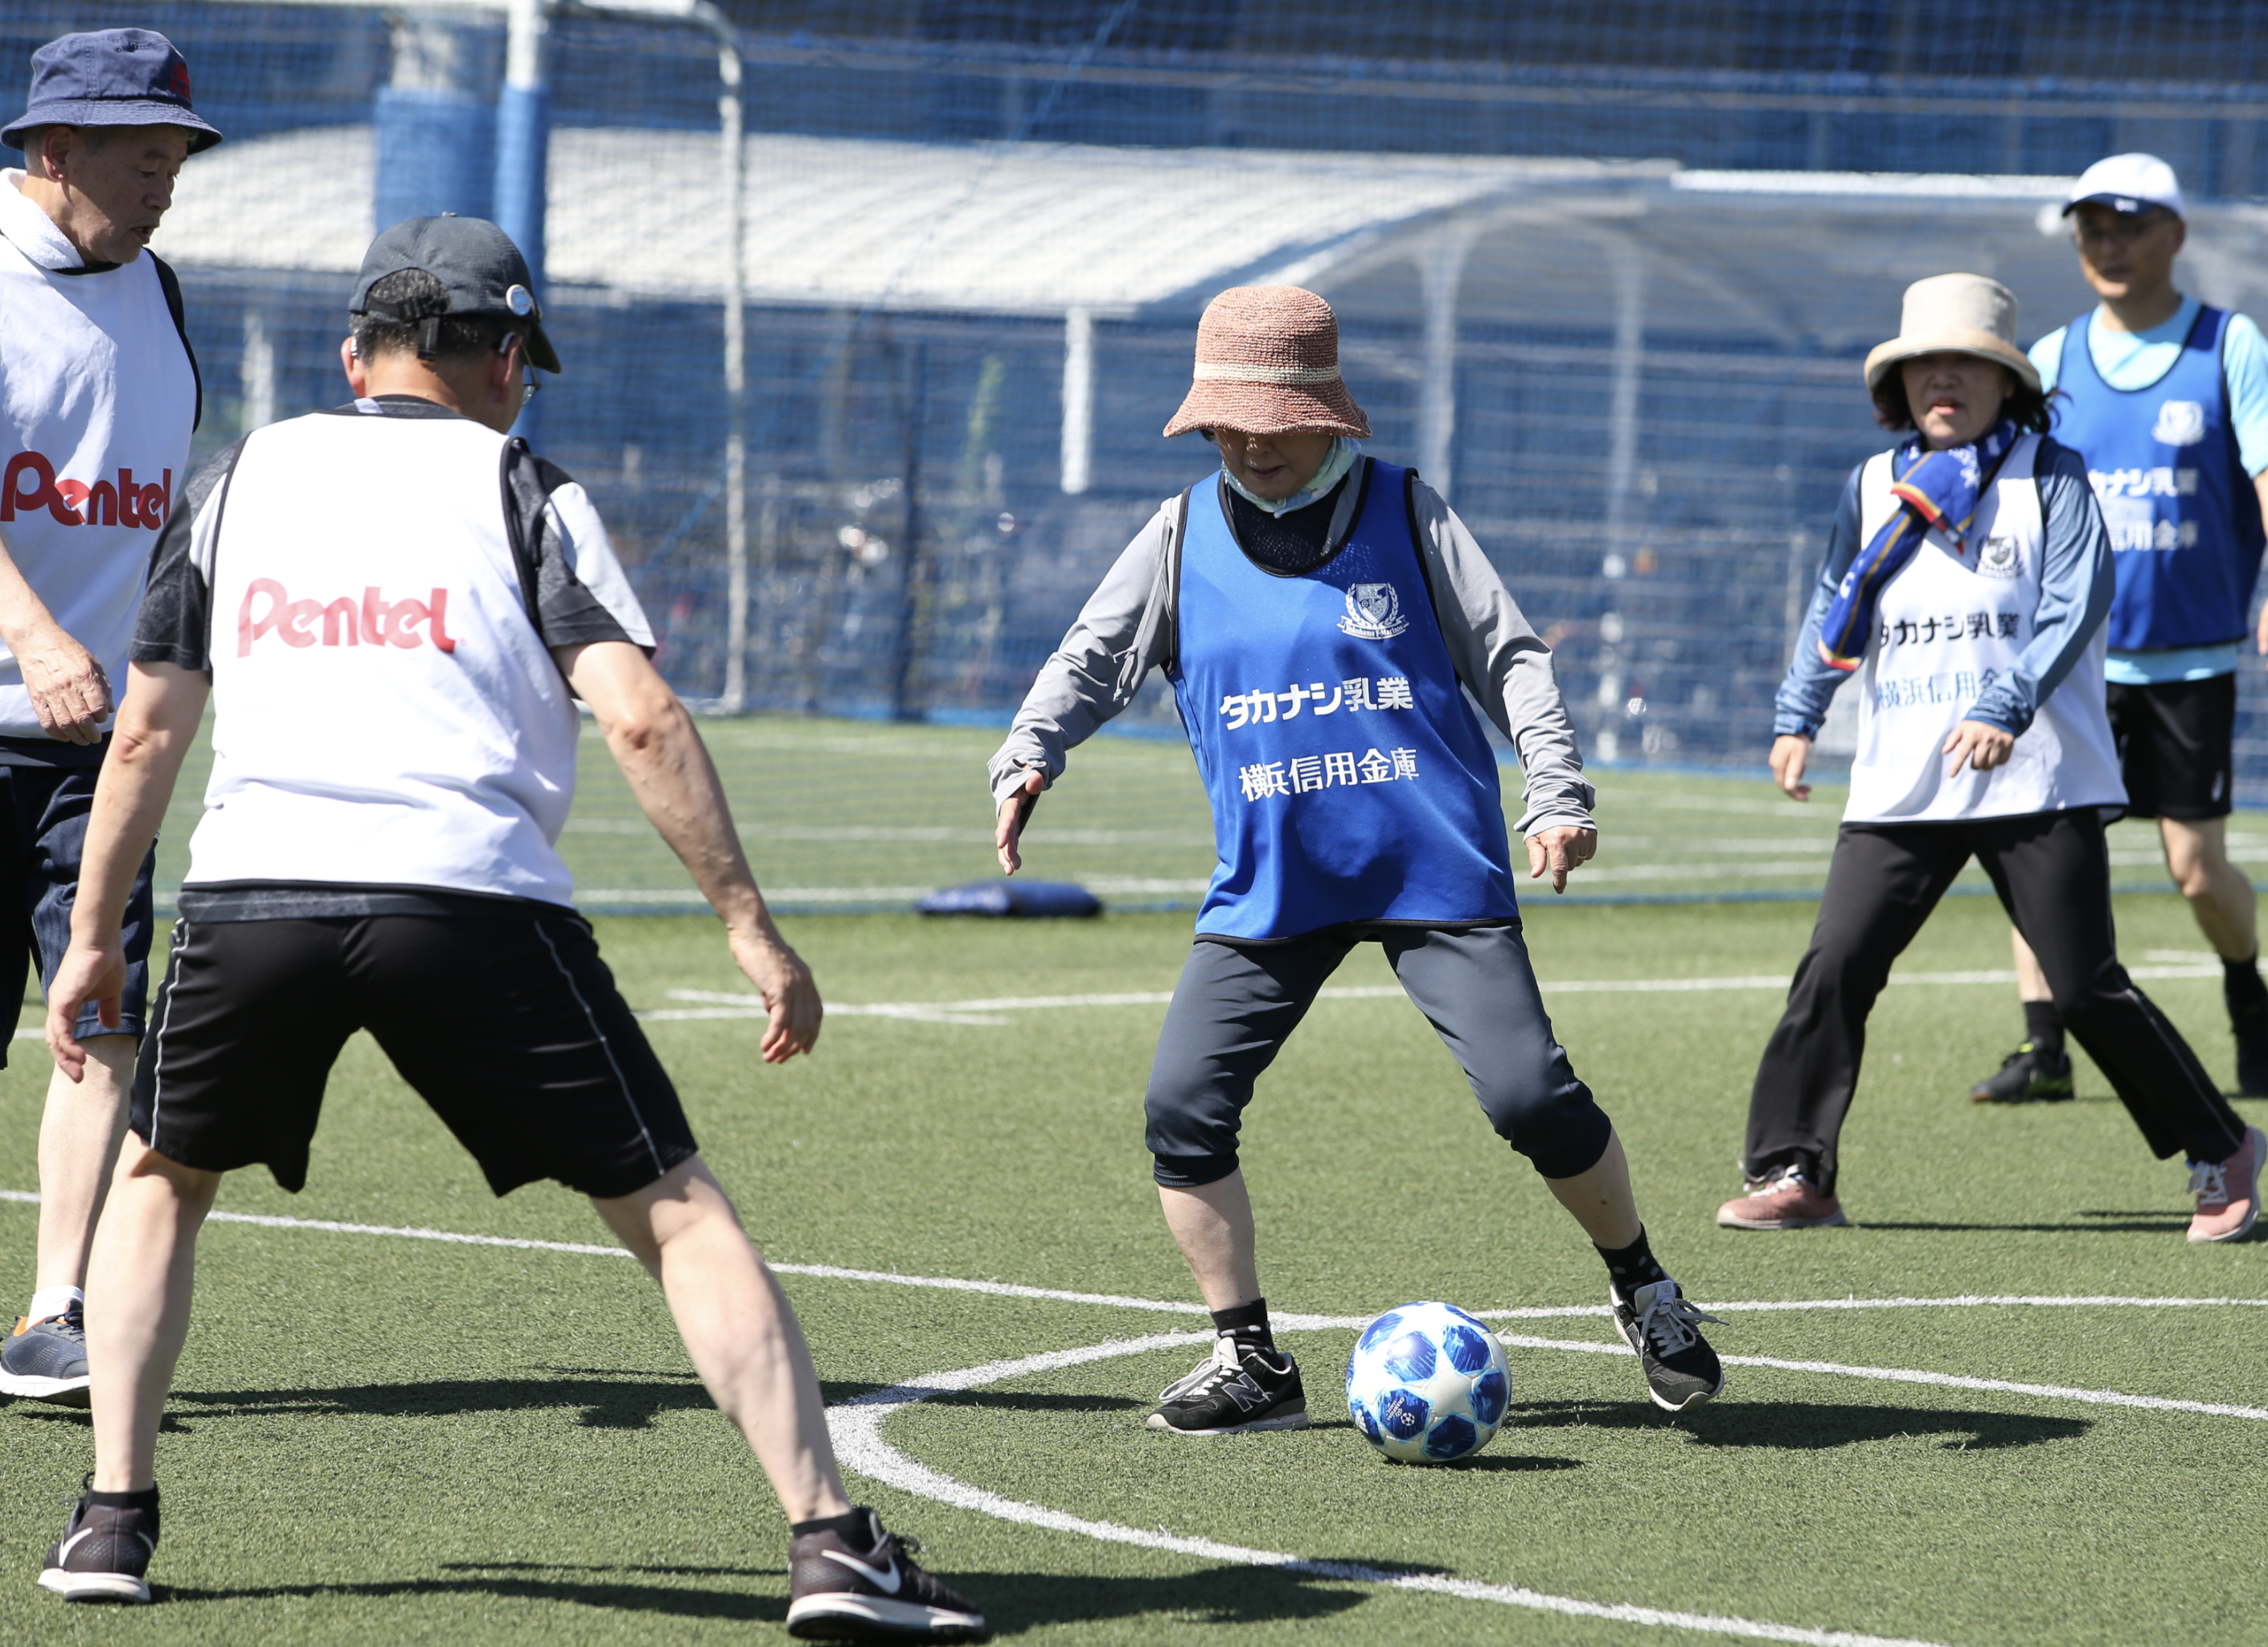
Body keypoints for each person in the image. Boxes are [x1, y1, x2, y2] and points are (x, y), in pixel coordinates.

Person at [33, 216, 986, 1642]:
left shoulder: (236, 478)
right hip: (465, 895)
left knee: (163, 1178)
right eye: (519, 363)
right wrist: (750, 924)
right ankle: (829, 1540)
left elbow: (145, 733)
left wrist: (100, 928)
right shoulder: (524, 482)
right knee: (673, 1205)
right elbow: (643, 715)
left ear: (358, 357)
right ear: (491, 358)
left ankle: (111, 1518)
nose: (522, 388)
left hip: (254, 896)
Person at [990, 284, 1724, 1437]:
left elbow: (1513, 657)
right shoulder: (1178, 534)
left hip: (1435, 875)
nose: (1250, 442)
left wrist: (1557, 790)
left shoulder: (1408, 511)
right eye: (1228, 423)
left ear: (1327, 415)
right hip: (1276, 886)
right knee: (1182, 1108)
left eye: (1273, 420)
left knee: (1530, 1095)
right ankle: (1249, 1358)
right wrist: (1030, 752)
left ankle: (1645, 1288)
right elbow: (1089, 660)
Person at [1737, 273, 2264, 1244]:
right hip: (1903, 776)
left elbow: (2077, 601)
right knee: (1836, 965)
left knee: (2082, 987)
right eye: (1923, 365)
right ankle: (1794, 1169)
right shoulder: (1869, 486)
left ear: (2006, 380)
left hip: (2038, 774)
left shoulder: (2052, 474)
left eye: (1967, 363)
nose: (1944, 379)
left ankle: (2222, 1146)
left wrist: (2004, 704)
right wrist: (1798, 711)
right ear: (1897, 386)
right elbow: (1833, 603)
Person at [1971, 154, 2268, 1107]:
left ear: (2176, 234)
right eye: (2092, 230)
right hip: (2069, 663)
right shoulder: (2052, 355)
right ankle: (2045, 1047)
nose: (2108, 246)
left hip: (2192, 656)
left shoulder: (2227, 344)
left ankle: (2246, 988)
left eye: (2128, 227)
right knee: (2039, 846)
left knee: (2195, 869)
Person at [0, 29, 214, 1407]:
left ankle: (53, 1311)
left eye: (179, 160)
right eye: (145, 159)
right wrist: (30, 629)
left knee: (102, 1009)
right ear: (53, 150)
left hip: (99, 739)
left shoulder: (164, 290)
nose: (168, 186)